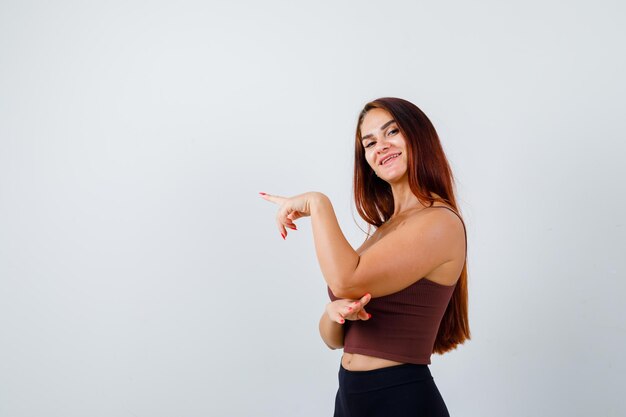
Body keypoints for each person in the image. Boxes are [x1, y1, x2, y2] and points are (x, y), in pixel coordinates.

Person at [259, 97, 470, 417]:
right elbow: (336, 340)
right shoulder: (386, 230)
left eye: (392, 132)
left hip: (399, 399)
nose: (380, 146)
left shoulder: (438, 221)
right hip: (351, 397)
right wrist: (334, 314)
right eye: (369, 143)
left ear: (419, 136)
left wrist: (318, 203)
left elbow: (346, 279)